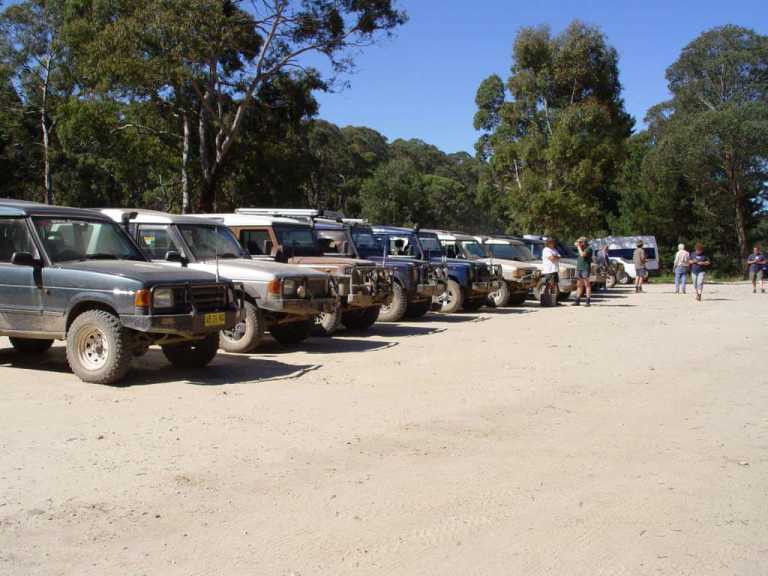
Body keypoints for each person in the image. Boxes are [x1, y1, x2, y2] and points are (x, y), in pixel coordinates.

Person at [573, 237, 593, 306]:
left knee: (587, 284)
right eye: (579, 242)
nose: (579, 243)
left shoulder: (588, 249)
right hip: (579, 268)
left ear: (584, 242)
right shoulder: (581, 248)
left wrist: (578, 247)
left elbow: (582, 254)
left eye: (581, 242)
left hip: (585, 268)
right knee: (579, 285)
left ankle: (588, 301)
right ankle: (577, 300)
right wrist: (578, 245)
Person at [541, 238, 561, 305]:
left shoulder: (554, 249)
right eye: (551, 242)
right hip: (549, 270)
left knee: (554, 285)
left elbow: (559, 256)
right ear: (548, 243)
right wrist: (556, 257)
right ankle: (547, 300)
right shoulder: (546, 250)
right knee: (549, 285)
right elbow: (552, 258)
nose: (553, 243)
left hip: (554, 270)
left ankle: (553, 300)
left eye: (553, 242)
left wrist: (555, 257)